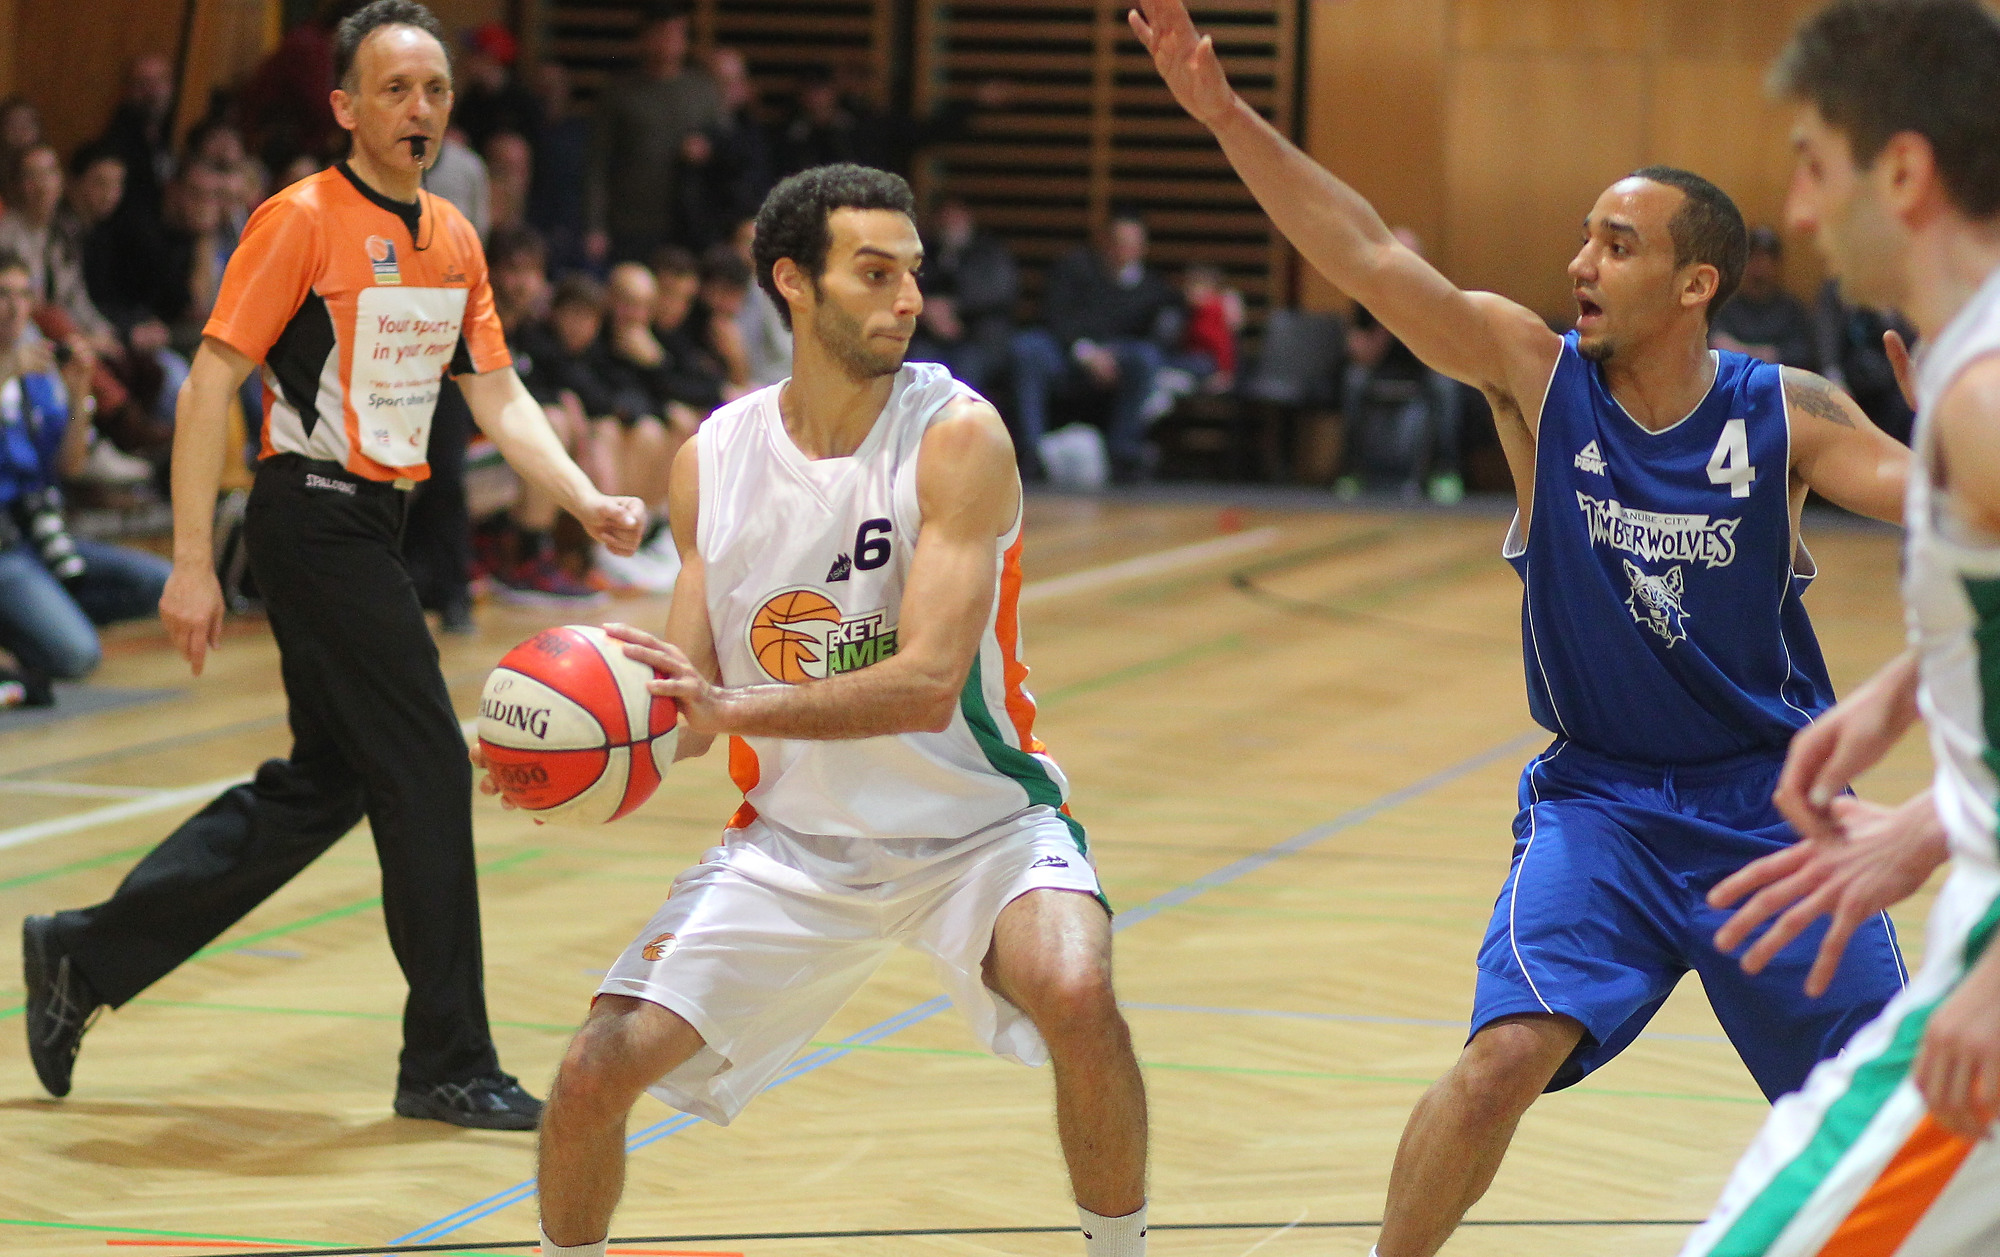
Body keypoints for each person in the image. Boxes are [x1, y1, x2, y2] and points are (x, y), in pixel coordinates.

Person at [1129, 4, 1920, 1256]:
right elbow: (1364, 257)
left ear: (1694, 284)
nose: (1579, 263)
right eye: (1584, 238)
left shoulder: (1786, 411)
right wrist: (1224, 115)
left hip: (1771, 810)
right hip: (1600, 806)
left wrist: (1967, 438)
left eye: (1616, 244)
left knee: (1900, 1113)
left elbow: (1943, 503)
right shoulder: (1533, 375)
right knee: (1500, 1058)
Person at [19, 0, 644, 1127]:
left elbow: (498, 394)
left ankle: (84, 954)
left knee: (331, 782)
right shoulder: (299, 220)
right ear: (346, 108)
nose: (419, 108)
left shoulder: (454, 237)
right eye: (396, 89)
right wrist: (191, 564)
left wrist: (583, 496)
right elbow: (209, 385)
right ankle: (448, 1059)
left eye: (435, 89)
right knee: (427, 767)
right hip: (309, 518)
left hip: (373, 525)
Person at [511, 163, 1149, 1257]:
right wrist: (549, 753)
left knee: (1075, 988)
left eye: (913, 273)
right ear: (792, 283)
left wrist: (729, 702)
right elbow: (687, 707)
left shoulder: (957, 434)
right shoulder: (712, 461)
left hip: (981, 829)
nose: (908, 299)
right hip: (793, 847)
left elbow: (926, 683)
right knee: (587, 1075)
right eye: (874, 273)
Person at [1679, 4, 2000, 1253]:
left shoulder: (1980, 395)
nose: (1797, 210)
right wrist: (1911, 695)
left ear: (1902, 172)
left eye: (1813, 163)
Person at [0, 248, 169, 707]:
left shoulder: (36, 372)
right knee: (77, 657)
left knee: (161, 584)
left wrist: (78, 397)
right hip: (5, 546)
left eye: (23, 295)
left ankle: (41, 616)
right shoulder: (16, 368)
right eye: (3, 295)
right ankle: (35, 625)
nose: (14, 308)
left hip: (44, 534)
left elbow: (69, 466)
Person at [1009, 210, 1180, 482]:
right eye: (1118, 242)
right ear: (1106, 242)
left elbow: (1160, 334)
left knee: (1146, 358)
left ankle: (1122, 455)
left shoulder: (1152, 288)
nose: (1124, 250)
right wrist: (1086, 353)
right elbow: (1055, 316)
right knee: (1028, 348)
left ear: (1142, 248)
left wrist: (1112, 355)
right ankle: (1031, 453)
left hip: (1116, 363)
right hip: (1068, 355)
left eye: (1131, 243)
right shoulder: (1074, 268)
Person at [584, 0, 720, 266]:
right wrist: (594, 225)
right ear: (644, 37)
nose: (668, 42)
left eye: (675, 33)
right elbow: (597, 163)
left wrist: (708, 149)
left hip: (689, 221)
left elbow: (728, 152)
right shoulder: (618, 93)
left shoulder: (703, 92)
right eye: (660, 33)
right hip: (632, 221)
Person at [909, 195, 1017, 398]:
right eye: (945, 218)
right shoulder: (929, 251)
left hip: (978, 337)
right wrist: (929, 312)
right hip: (931, 336)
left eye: (956, 217)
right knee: (917, 364)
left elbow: (998, 293)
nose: (950, 223)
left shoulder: (989, 251)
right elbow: (917, 286)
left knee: (967, 370)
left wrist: (953, 308)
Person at [1710, 226, 1820, 370]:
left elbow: (1802, 354)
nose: (1759, 268)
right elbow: (1714, 346)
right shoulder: (1724, 308)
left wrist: (1742, 351)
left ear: (1777, 266)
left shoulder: (1792, 310)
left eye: (1766, 260)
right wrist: (1765, 354)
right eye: (1753, 259)